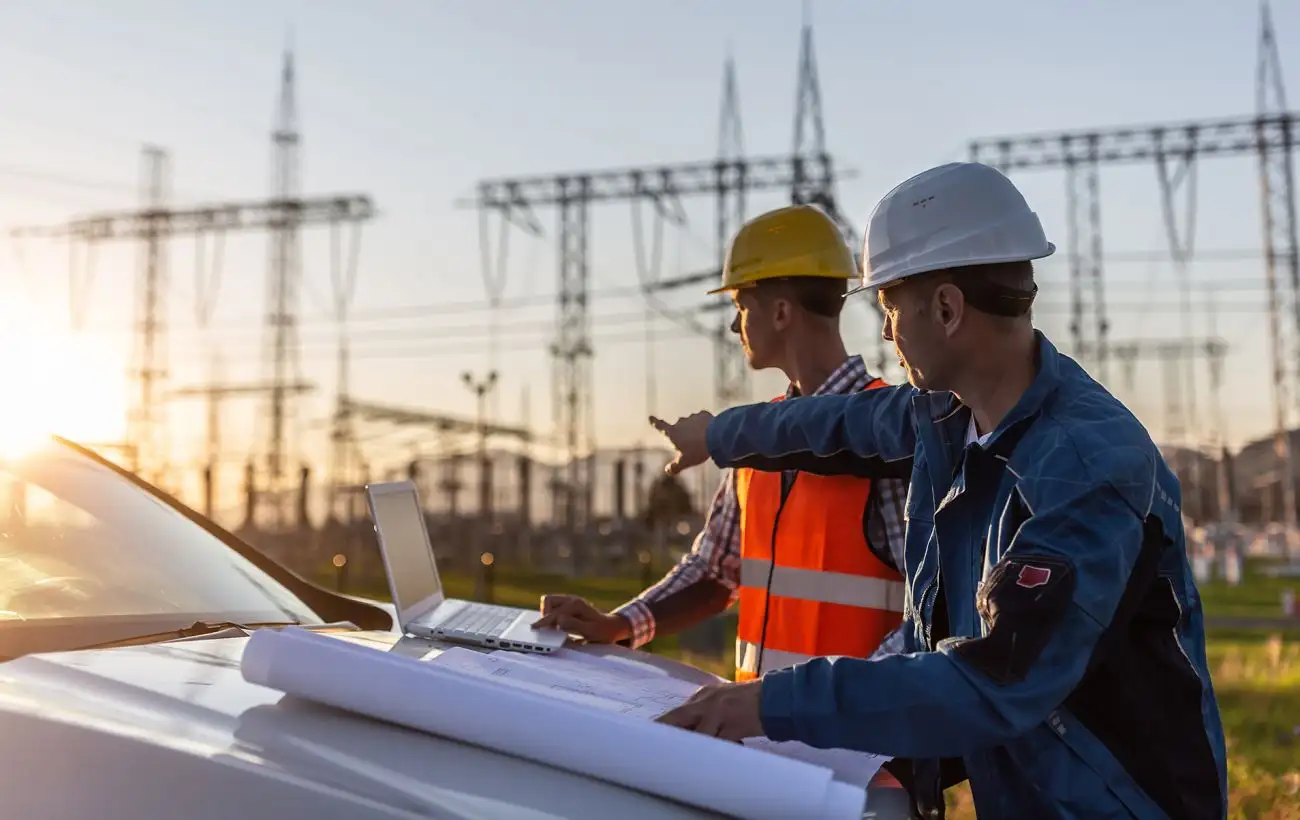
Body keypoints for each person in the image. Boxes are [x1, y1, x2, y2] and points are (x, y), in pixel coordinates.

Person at [650, 162, 1229, 819]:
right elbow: (831, 424)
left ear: (948, 308)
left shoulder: (1087, 469)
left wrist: (766, 703)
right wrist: (716, 436)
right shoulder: (948, 419)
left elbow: (993, 678)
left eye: (890, 307)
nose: (887, 333)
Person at [533, 203, 912, 683]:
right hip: (761, 734)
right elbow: (715, 570)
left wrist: (848, 709)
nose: (734, 328)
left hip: (855, 746)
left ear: (779, 313)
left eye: (740, 307)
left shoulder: (887, 443)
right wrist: (620, 624)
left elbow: (924, 614)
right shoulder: (755, 440)